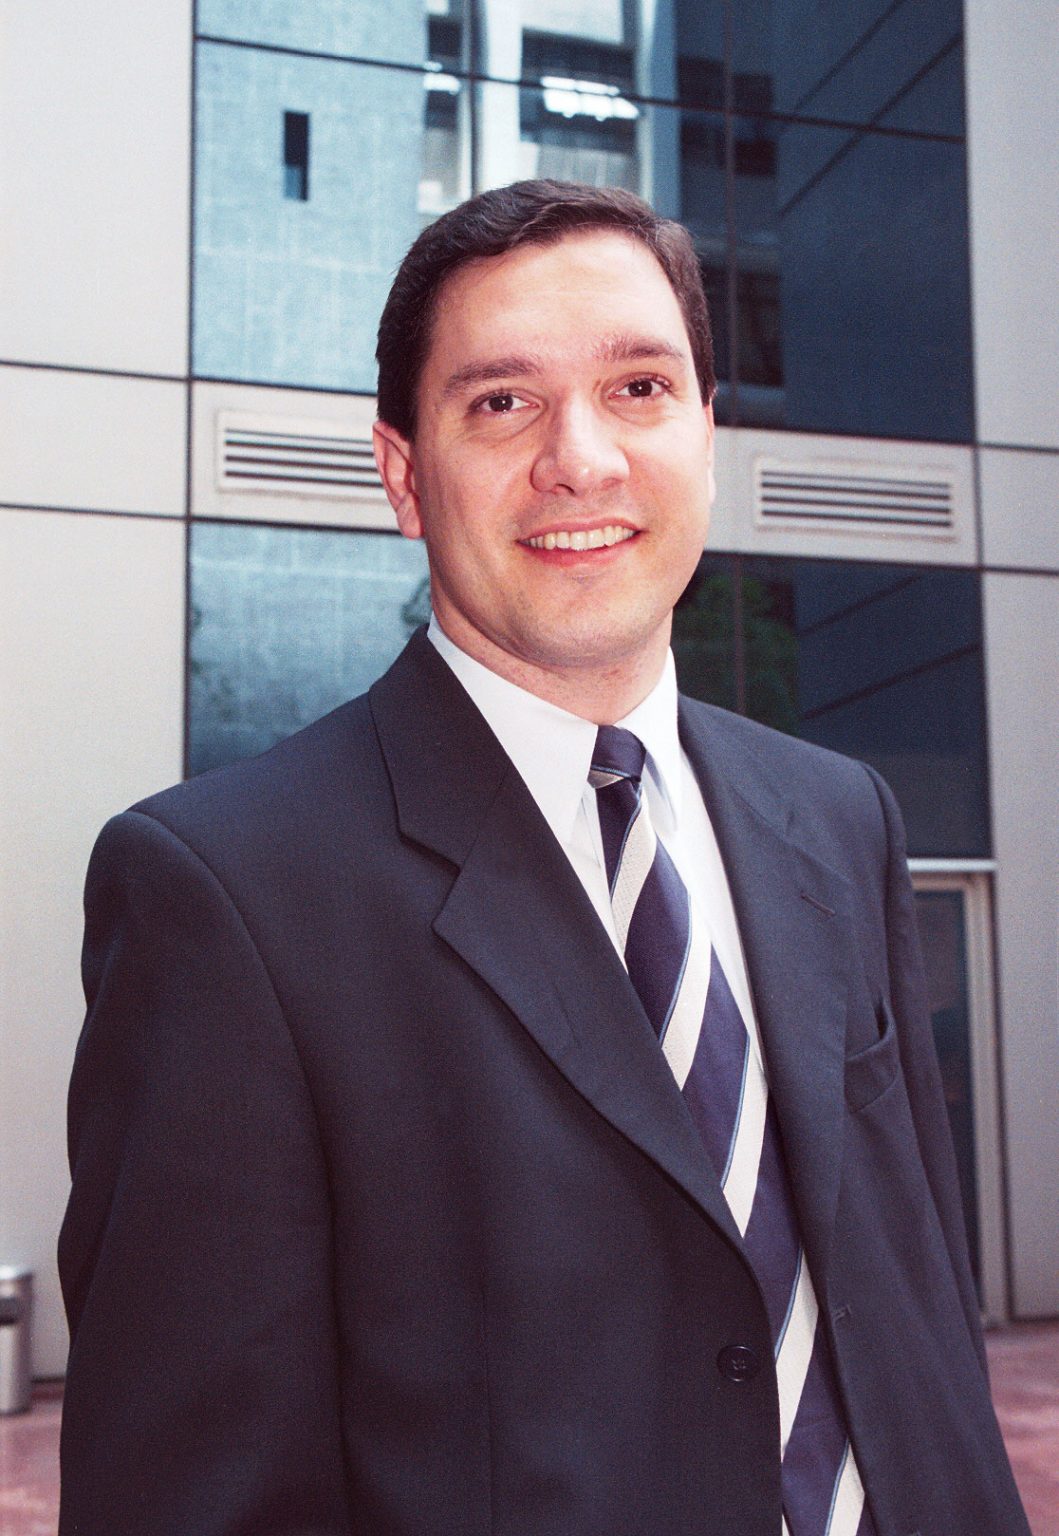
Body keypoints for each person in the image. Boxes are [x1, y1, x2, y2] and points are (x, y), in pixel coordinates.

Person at [58, 181, 1029, 1536]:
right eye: (503, 402)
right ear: (405, 475)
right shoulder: (222, 895)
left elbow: (920, 1319)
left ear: (706, 434)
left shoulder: (839, 815)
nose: (582, 459)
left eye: (639, 388)